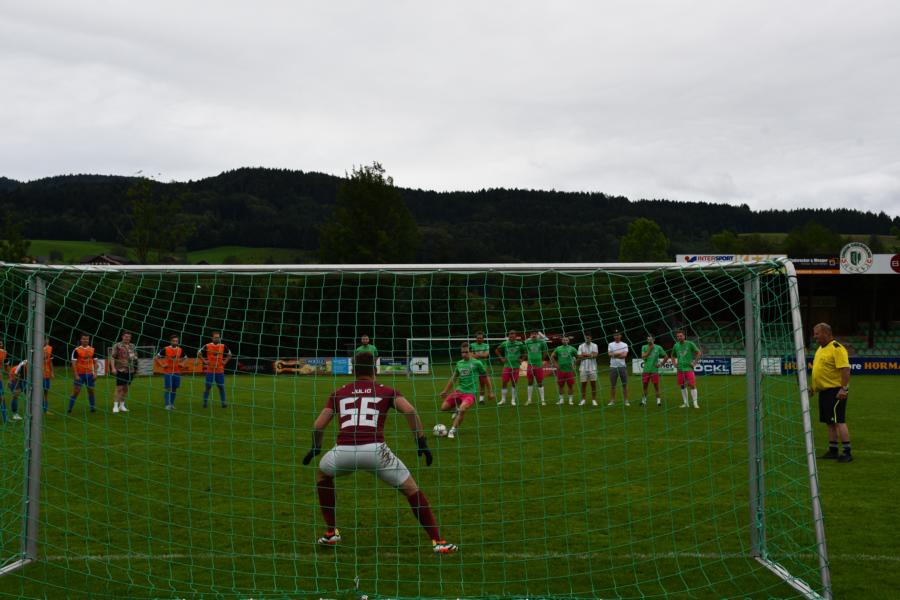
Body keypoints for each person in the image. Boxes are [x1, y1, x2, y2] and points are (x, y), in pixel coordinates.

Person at [302, 352, 457, 554]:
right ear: (375, 370)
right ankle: (438, 541)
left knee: (323, 475)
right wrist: (421, 441)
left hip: (342, 452)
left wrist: (316, 447)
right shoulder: (387, 391)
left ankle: (331, 532)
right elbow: (410, 411)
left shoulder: (338, 392)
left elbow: (318, 425)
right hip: (376, 452)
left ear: (354, 370)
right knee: (411, 489)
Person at [810, 323, 852, 462]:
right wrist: (814, 389)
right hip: (824, 392)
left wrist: (843, 389)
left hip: (835, 391)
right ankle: (833, 450)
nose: (815, 336)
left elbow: (845, 369)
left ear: (826, 333)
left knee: (839, 421)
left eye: (817, 333)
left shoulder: (836, 348)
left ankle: (847, 452)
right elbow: (821, 372)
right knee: (829, 422)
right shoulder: (820, 349)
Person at [439, 342, 494, 439]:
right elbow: (453, 378)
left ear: (471, 352)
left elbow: (485, 377)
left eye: (466, 352)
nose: (464, 354)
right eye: (462, 352)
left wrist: (490, 391)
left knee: (462, 409)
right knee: (443, 408)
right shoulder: (459, 363)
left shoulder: (477, 363)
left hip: (470, 393)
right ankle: (456, 410)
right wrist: (445, 391)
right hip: (459, 391)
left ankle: (452, 430)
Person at [199, 331, 231, 408]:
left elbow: (229, 354)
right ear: (212, 338)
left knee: (221, 387)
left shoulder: (223, 346)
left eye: (218, 337)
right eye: (215, 337)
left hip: (220, 370)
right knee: (208, 386)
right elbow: (199, 353)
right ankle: (205, 402)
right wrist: (204, 361)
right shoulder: (207, 346)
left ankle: (223, 403)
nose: (217, 339)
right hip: (210, 370)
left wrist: (225, 362)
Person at [495, 330, 527, 406]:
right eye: (510, 335)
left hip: (516, 366)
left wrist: (522, 359)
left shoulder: (519, 344)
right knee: (504, 382)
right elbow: (497, 350)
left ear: (515, 336)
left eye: (513, 335)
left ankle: (513, 400)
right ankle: (503, 400)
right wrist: (501, 358)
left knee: (514, 383)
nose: (511, 336)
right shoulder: (505, 343)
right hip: (507, 366)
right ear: (508, 336)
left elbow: (526, 352)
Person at [69, 334, 98, 414]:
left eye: (87, 339)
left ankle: (92, 408)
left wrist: (95, 373)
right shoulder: (76, 350)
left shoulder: (92, 349)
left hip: (89, 374)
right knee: (76, 391)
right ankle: (70, 408)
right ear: (81, 340)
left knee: (91, 391)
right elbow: (73, 363)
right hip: (80, 374)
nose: (85, 340)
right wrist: (76, 375)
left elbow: (95, 362)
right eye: (84, 339)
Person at [109, 331, 137, 413]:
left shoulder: (132, 346)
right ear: (122, 337)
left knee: (126, 388)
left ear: (130, 338)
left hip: (130, 370)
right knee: (119, 388)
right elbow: (112, 357)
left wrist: (136, 368)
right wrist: (113, 368)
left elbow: (135, 357)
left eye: (128, 337)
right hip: (121, 369)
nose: (127, 338)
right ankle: (115, 406)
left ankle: (122, 405)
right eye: (125, 336)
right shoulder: (117, 345)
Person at [672, 330, 701, 408]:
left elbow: (698, 353)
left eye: (681, 336)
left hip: (689, 368)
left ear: (684, 336)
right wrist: (674, 363)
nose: (679, 337)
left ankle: (695, 403)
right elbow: (672, 355)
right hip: (680, 369)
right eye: (678, 336)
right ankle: (685, 403)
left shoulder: (690, 344)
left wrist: (694, 363)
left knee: (692, 385)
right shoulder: (676, 345)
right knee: (682, 386)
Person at [158, 334, 187, 410]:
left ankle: (171, 404)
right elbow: (157, 357)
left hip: (177, 372)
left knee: (174, 388)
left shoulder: (180, 349)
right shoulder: (166, 349)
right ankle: (167, 405)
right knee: (168, 388)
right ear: (170, 341)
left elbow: (185, 358)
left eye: (176, 341)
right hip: (168, 372)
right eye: (173, 341)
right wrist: (162, 365)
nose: (175, 342)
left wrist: (182, 363)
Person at [640, 335, 667, 407]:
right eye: (648, 339)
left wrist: (661, 364)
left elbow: (666, 356)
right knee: (645, 386)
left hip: (654, 370)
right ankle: (644, 401)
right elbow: (643, 356)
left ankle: (658, 401)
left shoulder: (658, 347)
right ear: (647, 340)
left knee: (656, 386)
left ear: (654, 339)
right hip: (646, 370)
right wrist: (650, 349)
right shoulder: (644, 347)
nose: (650, 340)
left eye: (651, 339)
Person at [524, 330, 549, 405]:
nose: (534, 335)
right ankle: (529, 400)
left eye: (535, 334)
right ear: (530, 335)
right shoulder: (527, 342)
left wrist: (541, 360)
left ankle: (542, 400)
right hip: (530, 364)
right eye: (532, 334)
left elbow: (545, 352)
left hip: (538, 365)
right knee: (530, 381)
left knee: (539, 382)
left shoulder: (542, 342)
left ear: (537, 335)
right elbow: (525, 351)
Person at [551, 335, 578, 405]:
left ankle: (570, 400)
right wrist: (555, 364)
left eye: (566, 340)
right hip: (560, 370)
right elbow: (552, 356)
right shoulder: (558, 348)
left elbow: (578, 357)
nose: (565, 341)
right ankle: (561, 400)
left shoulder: (572, 348)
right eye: (563, 340)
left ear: (568, 341)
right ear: (561, 341)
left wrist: (575, 365)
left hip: (569, 370)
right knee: (560, 385)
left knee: (570, 385)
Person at [607, 330, 630, 407]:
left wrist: (614, 355)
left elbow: (624, 355)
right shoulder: (610, 344)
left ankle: (626, 400)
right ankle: (612, 400)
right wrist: (620, 353)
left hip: (622, 366)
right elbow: (609, 354)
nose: (617, 336)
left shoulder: (624, 344)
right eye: (615, 335)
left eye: (618, 335)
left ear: (620, 336)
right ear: (613, 336)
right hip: (613, 367)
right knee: (613, 385)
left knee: (625, 384)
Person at [469, 331, 491, 405]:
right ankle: (471, 398)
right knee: (472, 383)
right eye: (478, 338)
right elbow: (470, 355)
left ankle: (481, 400)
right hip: (473, 366)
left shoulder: (486, 345)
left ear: (483, 339)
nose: (479, 339)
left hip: (483, 367)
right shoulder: (472, 345)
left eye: (481, 338)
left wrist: (476, 355)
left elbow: (486, 355)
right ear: (476, 338)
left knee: (482, 383)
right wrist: (481, 355)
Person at [577, 332, 599, 406]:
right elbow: (579, 356)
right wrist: (590, 355)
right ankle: (583, 399)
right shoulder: (581, 346)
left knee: (593, 384)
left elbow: (595, 355)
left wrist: (584, 355)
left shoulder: (595, 345)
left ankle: (594, 400)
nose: (587, 339)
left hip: (593, 368)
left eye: (588, 337)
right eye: (586, 337)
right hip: (583, 368)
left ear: (590, 338)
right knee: (583, 384)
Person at [42, 339, 53, 413]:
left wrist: (52, 372)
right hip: (37, 375)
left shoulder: (49, 349)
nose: (46, 341)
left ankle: (45, 409)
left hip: (46, 374)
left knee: (45, 392)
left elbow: (50, 362)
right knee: (37, 393)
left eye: (46, 339)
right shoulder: (35, 348)